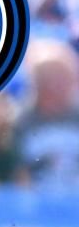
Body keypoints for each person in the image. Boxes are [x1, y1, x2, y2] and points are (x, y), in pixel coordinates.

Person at [16, 40, 79, 184]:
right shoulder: (19, 121)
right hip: (36, 202)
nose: (55, 86)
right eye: (47, 79)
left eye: (61, 78)